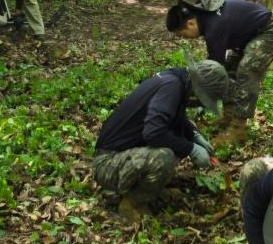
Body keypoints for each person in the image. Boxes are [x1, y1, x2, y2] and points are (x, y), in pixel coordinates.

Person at [92, 53, 228, 222]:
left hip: (121, 156)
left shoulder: (175, 80)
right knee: (164, 157)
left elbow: (173, 118)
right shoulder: (172, 87)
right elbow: (153, 133)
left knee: (174, 139)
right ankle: (131, 204)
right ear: (198, 90)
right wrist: (191, 149)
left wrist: (194, 135)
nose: (199, 104)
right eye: (202, 100)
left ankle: (147, 189)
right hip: (107, 164)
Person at [166, 0, 273, 144]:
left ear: (190, 23)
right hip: (248, 35)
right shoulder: (204, 16)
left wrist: (199, 96)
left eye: (182, 34)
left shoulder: (213, 27)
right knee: (229, 68)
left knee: (246, 71)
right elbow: (219, 67)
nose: (185, 38)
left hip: (270, 30)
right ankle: (228, 116)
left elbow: (214, 70)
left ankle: (238, 128)